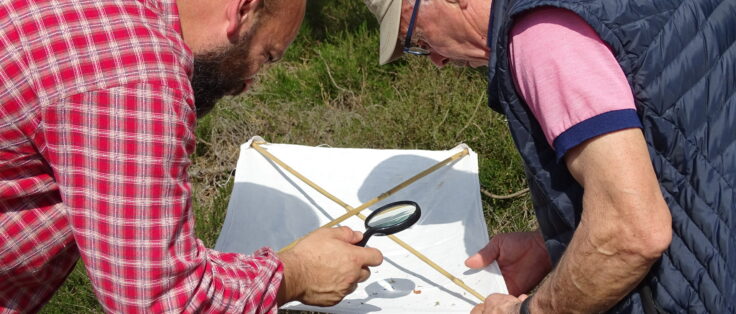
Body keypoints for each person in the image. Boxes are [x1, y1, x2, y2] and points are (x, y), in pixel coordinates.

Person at [0, 0, 383, 312]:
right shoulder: (134, 76)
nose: (249, 83)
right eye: (265, 56)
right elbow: (160, 298)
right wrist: (298, 273)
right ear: (243, 10)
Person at [364, 0, 735, 313]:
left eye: (418, 40)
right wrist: (551, 244)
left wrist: (531, 310)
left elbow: (631, 232)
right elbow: (680, 146)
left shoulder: (540, 34)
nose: (437, 61)